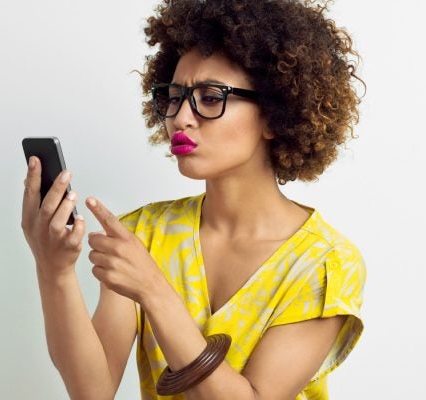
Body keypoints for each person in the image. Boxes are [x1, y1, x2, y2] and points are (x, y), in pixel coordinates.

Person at [21, 0, 367, 399]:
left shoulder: (325, 264)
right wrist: (54, 272)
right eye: (175, 96)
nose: (180, 118)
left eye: (210, 97)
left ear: (274, 115)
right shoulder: (143, 234)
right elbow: (92, 392)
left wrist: (154, 290)